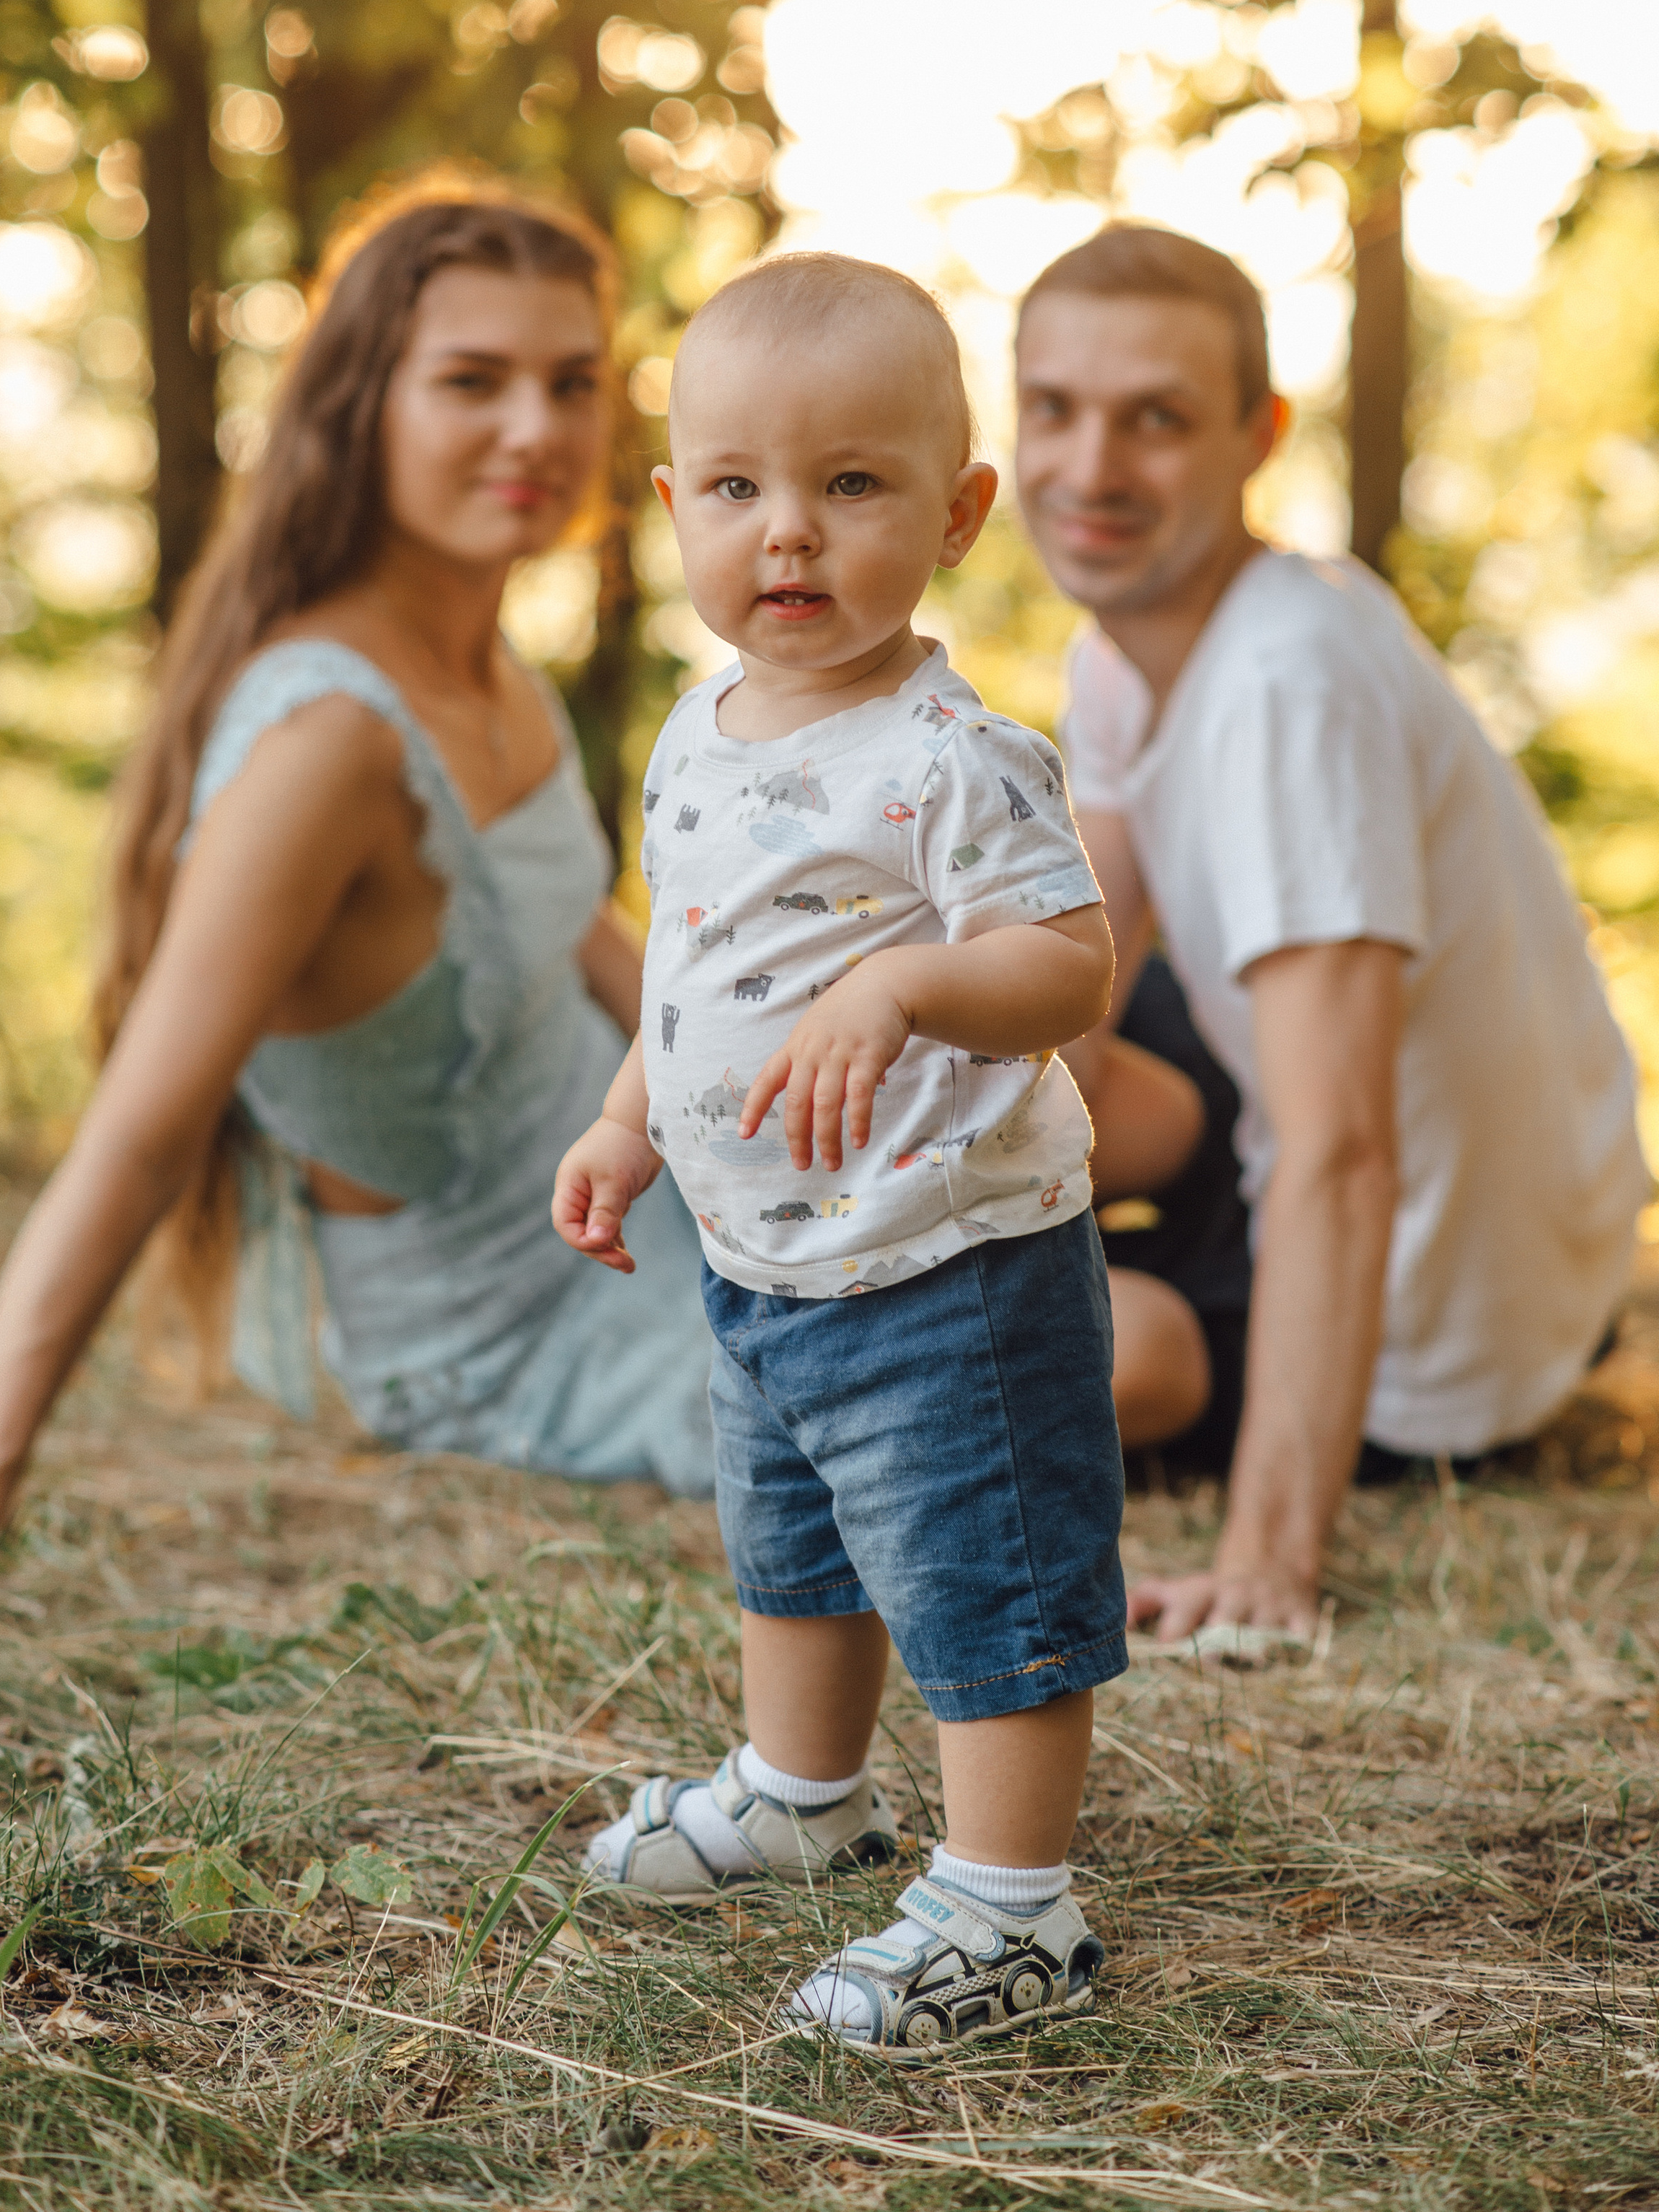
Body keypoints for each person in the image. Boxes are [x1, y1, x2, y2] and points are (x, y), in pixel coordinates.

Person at [0, 172, 716, 1604]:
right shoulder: (328, 743)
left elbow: (589, 939)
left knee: (1033, 1226)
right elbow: (137, 1137)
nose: (535, 428)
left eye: (571, 381)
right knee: (1034, 1376)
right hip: (514, 1330)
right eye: (472, 380)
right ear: (362, 405)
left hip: (651, 1192)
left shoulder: (491, 662)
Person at [553, 252, 1122, 2061]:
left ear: (956, 515)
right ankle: (804, 1793)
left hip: (950, 1262)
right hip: (765, 1263)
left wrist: (902, 984)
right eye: (735, 486)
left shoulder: (954, 755)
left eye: (850, 484)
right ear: (673, 509)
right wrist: (629, 1120)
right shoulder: (694, 734)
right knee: (786, 1545)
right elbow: (691, 966)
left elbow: (1068, 966)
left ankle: (1013, 1901)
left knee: (981, 1572)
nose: (785, 531)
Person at [1014, 221, 1649, 1645]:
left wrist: (1265, 1561)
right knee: (1008, 1027)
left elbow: (1344, 1152)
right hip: (1312, 1143)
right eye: (1054, 408)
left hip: (1437, 1319)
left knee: (1097, 1351)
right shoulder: (1125, 647)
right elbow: (1069, 1006)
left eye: (1155, 419)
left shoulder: (1285, 682)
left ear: (1257, 435)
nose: (1091, 468)